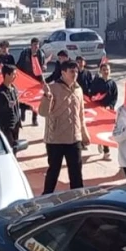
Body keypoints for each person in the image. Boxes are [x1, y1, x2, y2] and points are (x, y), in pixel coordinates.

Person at [38, 60, 89, 194]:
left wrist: (84, 134)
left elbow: (81, 114)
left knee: (76, 173)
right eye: (72, 71)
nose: (75, 74)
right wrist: (46, 97)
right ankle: (45, 198)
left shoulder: (78, 90)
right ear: (63, 72)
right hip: (56, 139)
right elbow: (43, 112)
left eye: (76, 71)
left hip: (74, 139)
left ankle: (78, 200)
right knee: (53, 172)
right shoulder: (53, 88)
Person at [0, 64, 30, 152]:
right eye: (13, 74)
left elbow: (17, 105)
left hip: (16, 124)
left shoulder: (14, 89)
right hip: (6, 126)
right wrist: (7, 105)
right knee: (9, 149)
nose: (15, 77)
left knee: (15, 148)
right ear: (6, 75)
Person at [89, 62, 118, 160]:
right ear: (100, 71)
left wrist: (111, 106)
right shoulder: (97, 82)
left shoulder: (112, 83)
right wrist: (95, 98)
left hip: (108, 110)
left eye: (108, 70)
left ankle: (103, 144)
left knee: (107, 129)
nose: (106, 71)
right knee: (99, 128)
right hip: (98, 109)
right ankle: (106, 151)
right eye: (104, 70)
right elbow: (91, 93)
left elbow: (115, 97)